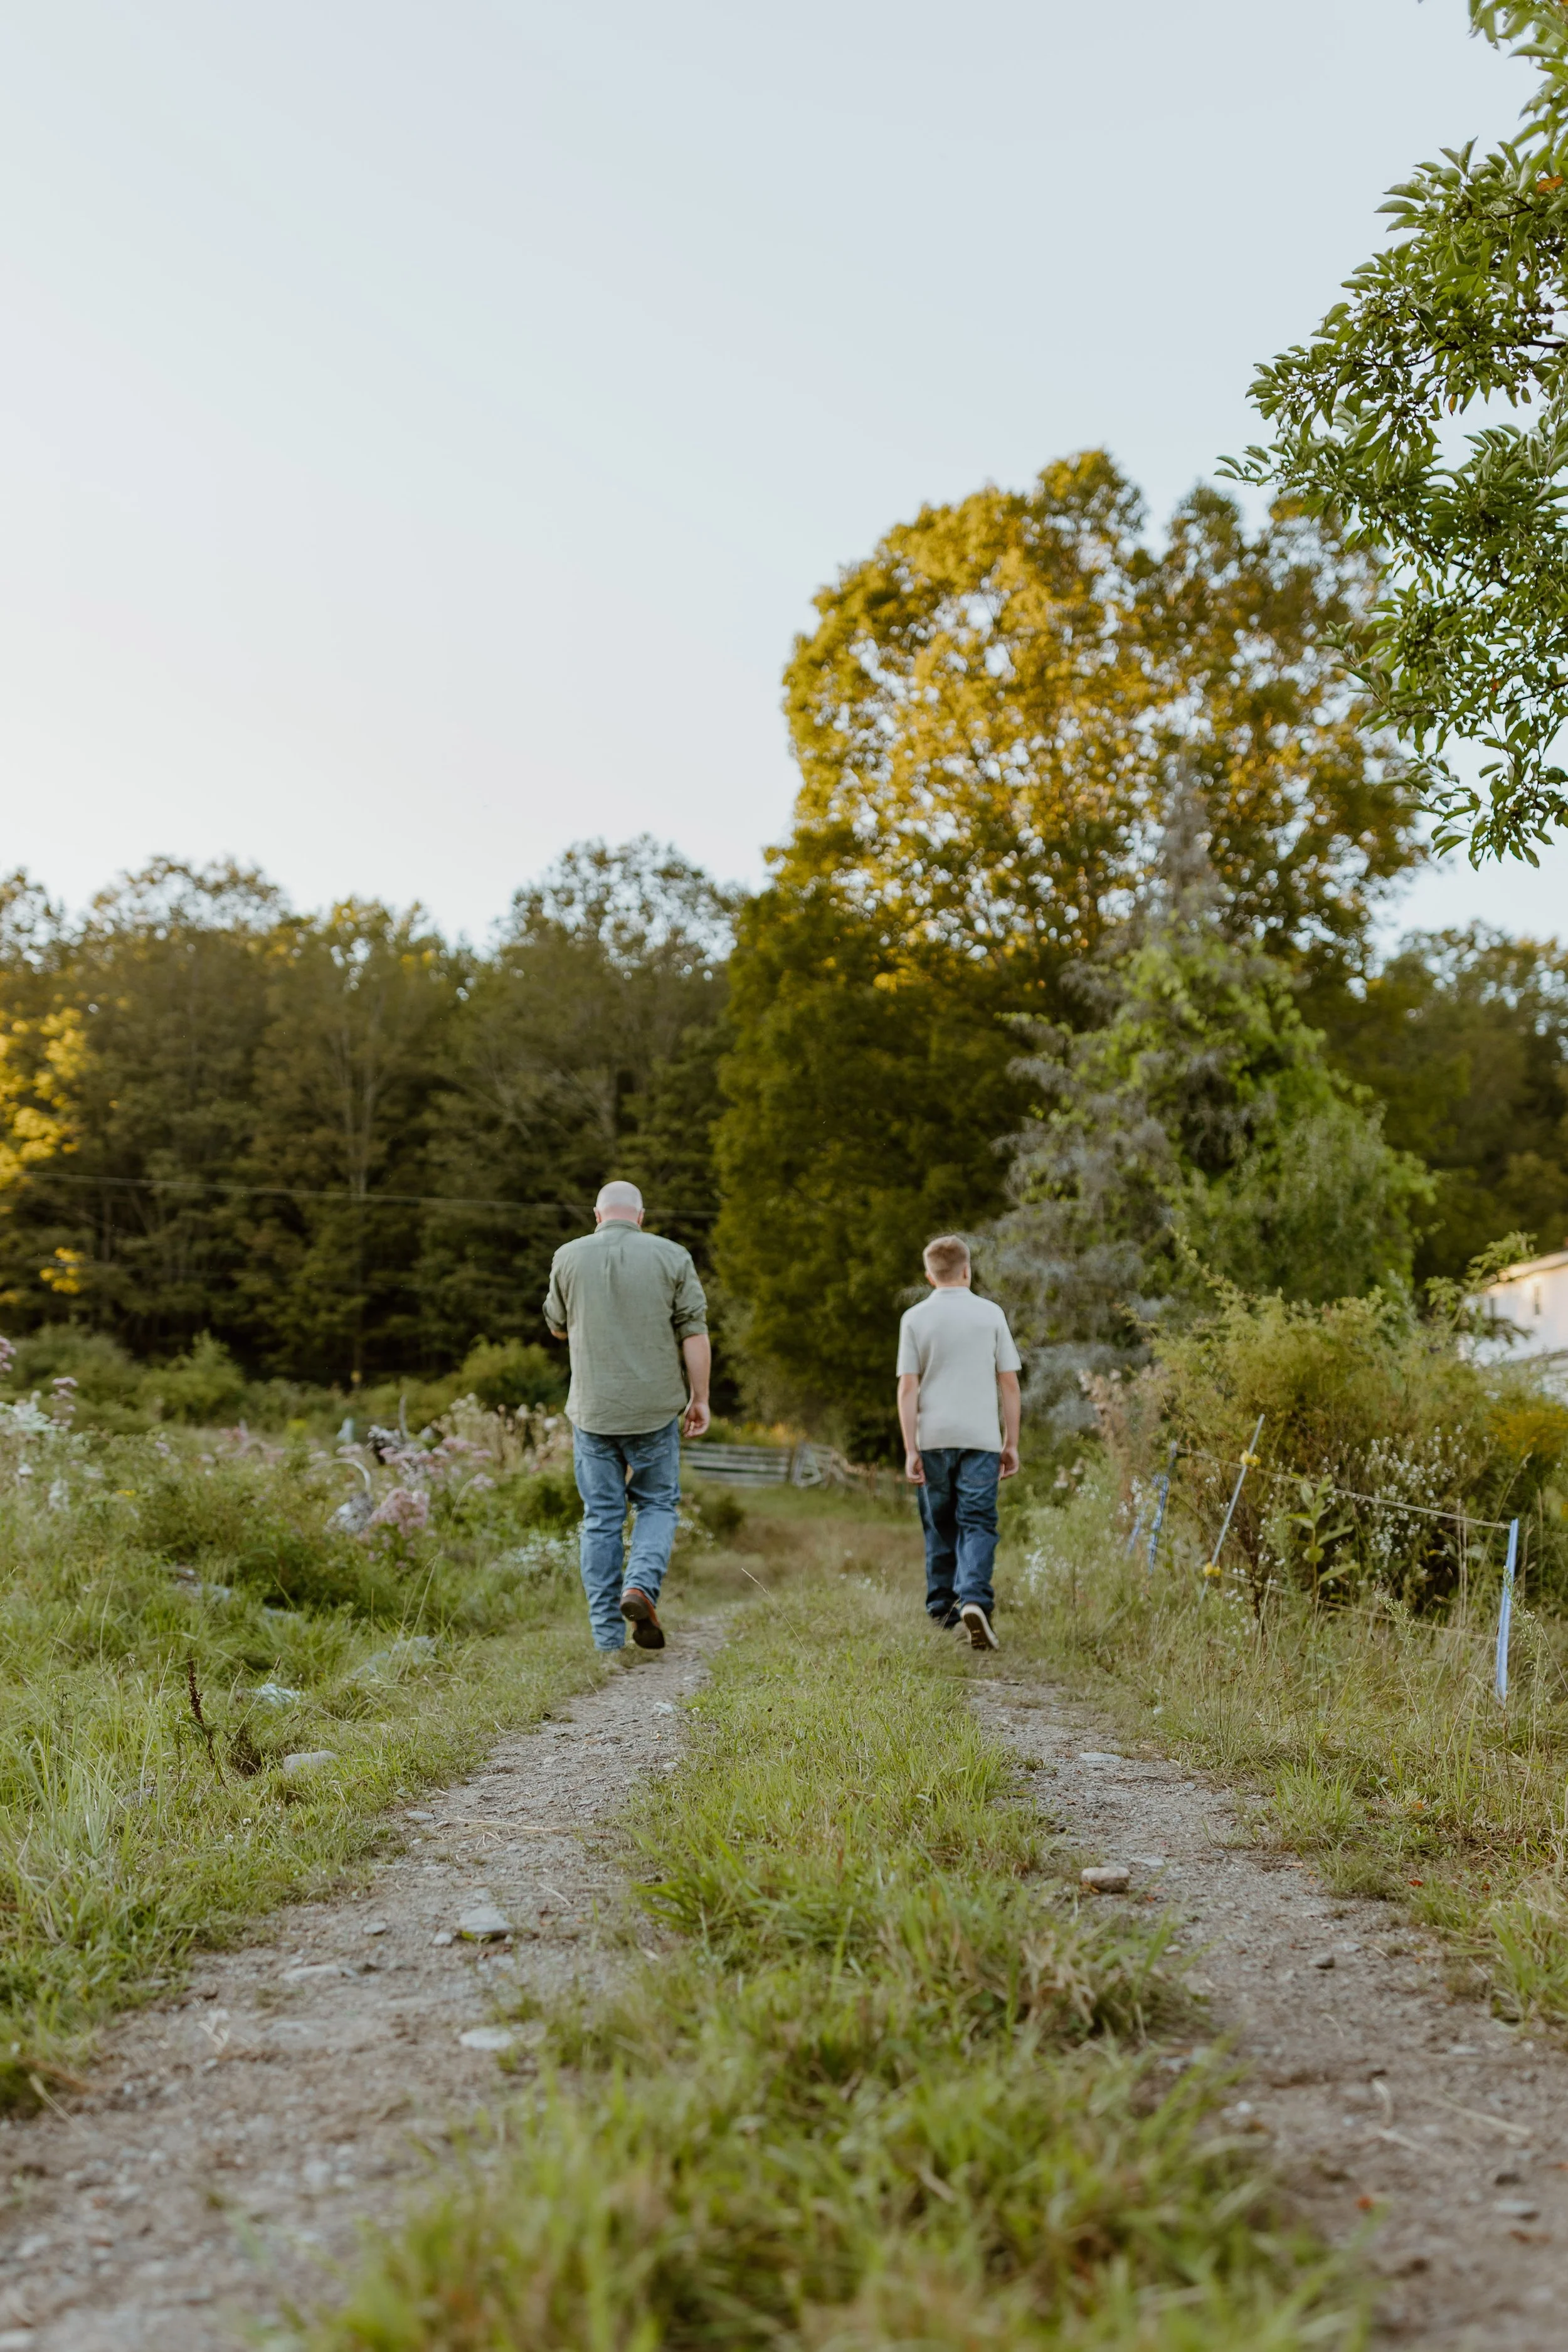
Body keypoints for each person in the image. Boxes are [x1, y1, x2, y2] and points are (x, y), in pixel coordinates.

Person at [544, 1180, 711, 1653]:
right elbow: (694, 1333)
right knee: (657, 1505)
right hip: (655, 1410)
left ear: (598, 1216)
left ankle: (606, 1640)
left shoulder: (568, 1256)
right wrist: (700, 1398)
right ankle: (638, 1587)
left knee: (601, 1517)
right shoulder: (673, 1255)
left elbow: (556, 1325)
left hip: (593, 1411)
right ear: (640, 1216)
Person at [896, 1234, 1021, 1651]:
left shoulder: (914, 1318)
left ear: (929, 1275)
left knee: (940, 1521)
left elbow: (907, 1389)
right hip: (981, 1439)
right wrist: (1011, 1442)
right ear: (967, 1270)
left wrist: (911, 1448)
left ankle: (942, 1609)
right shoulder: (992, 1314)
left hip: (932, 1439)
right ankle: (975, 1600)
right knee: (978, 1521)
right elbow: (1009, 1384)